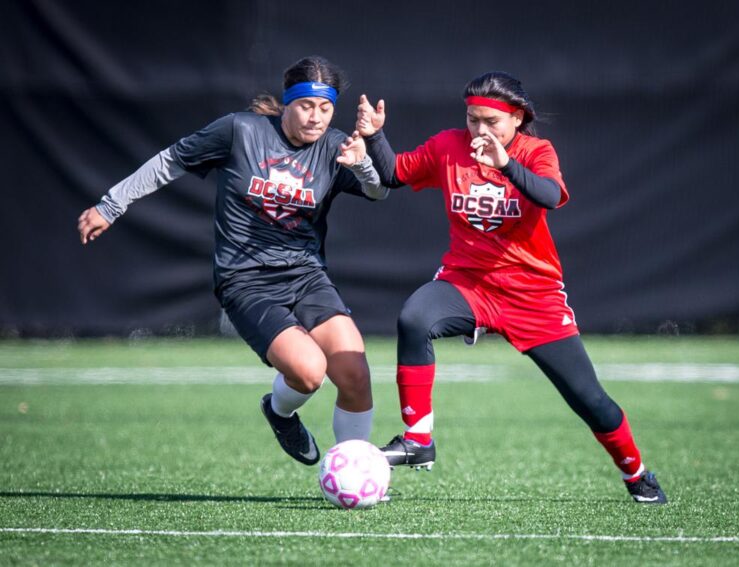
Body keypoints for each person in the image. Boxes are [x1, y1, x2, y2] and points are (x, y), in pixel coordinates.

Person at [356, 71, 667, 504]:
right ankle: (418, 440)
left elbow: (549, 195)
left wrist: (505, 163)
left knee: (589, 399)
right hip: (468, 282)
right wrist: (375, 137)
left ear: (517, 118)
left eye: (491, 121)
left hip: (532, 294)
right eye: (472, 120)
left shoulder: (536, 151)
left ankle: (637, 474)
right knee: (414, 317)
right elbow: (393, 174)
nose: (480, 130)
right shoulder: (450, 145)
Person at [78, 56, 389, 467]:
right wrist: (111, 204)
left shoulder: (335, 146)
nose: (316, 118)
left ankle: (355, 473)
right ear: (287, 102)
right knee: (310, 372)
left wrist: (364, 161)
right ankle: (279, 411)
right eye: (306, 106)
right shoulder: (241, 131)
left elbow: (378, 192)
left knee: (354, 372)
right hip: (246, 280)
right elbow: (169, 161)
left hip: (307, 275)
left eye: (326, 108)